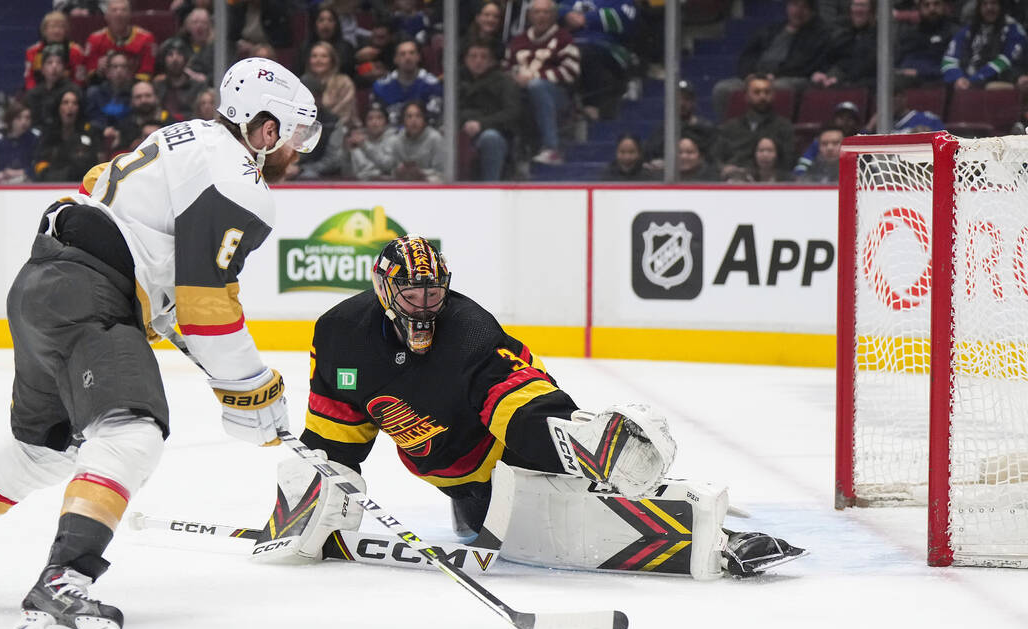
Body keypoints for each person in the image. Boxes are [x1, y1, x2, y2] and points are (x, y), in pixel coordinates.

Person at [0, 57, 322, 629]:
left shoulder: (181, 139)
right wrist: (252, 387)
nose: (296, 153)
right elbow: (205, 304)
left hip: (42, 284)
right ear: (265, 129)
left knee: (43, 447)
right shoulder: (238, 177)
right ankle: (62, 585)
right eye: (294, 137)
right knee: (132, 429)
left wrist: (227, 369)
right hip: (89, 294)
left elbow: (128, 240)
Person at [254, 236, 804, 581]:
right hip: (453, 482)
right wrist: (316, 498)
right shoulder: (340, 334)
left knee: (560, 480)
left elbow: (517, 406)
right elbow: (336, 434)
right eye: (412, 294)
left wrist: (569, 439)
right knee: (479, 520)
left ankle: (703, 526)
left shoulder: (468, 332)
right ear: (383, 289)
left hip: (508, 456)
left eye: (434, 292)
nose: (425, 306)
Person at [506, 0, 581, 165]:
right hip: (521, 95)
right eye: (537, 12)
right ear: (530, 15)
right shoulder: (518, 41)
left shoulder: (564, 39)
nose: (541, 16)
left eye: (546, 12)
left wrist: (535, 76)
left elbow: (571, 72)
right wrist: (516, 77)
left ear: (554, 15)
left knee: (537, 85)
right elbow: (506, 68)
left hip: (557, 97)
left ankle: (552, 148)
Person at [942, 0, 1027, 90]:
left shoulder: (1014, 31)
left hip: (995, 85)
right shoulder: (967, 31)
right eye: (984, 4)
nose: (989, 7)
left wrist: (974, 80)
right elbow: (949, 59)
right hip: (964, 85)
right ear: (979, 7)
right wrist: (957, 78)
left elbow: (1006, 61)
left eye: (993, 3)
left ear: (1001, 6)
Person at [459, 41, 520, 181]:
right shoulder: (456, 80)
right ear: (466, 59)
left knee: (490, 138)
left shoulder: (504, 82)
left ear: (491, 61)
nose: (478, 61)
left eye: (483, 57)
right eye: (473, 56)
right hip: (461, 133)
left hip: (495, 134)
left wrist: (481, 124)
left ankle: (490, 186)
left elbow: (512, 113)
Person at [713, 73, 795, 177]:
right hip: (733, 183)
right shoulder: (730, 127)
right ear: (746, 96)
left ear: (773, 95)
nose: (762, 96)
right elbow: (716, 158)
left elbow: (788, 162)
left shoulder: (784, 127)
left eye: (767, 92)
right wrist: (724, 168)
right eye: (757, 92)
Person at [32, 87, 101, 182]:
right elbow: (40, 164)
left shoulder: (89, 133)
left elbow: (92, 165)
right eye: (65, 102)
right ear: (58, 107)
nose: (70, 107)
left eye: (74, 103)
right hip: (51, 187)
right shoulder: (48, 134)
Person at [371, 39, 443, 127]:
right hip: (390, 137)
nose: (407, 57)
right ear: (395, 59)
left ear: (418, 57)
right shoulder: (381, 87)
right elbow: (376, 121)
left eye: (412, 53)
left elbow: (434, 120)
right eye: (402, 54)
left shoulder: (432, 85)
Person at [84, 0, 157, 81]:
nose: (119, 14)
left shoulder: (146, 38)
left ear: (130, 15)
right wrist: (98, 70)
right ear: (106, 16)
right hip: (104, 85)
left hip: (135, 85)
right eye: (114, 10)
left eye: (123, 10)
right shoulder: (94, 39)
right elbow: (89, 76)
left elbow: (147, 74)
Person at [24, 11, 88, 90]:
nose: (56, 31)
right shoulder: (33, 51)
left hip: (68, 94)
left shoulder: (76, 51)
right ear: (44, 30)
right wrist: (35, 95)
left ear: (66, 30)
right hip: (39, 93)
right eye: (52, 27)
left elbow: (79, 80)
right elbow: (29, 79)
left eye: (61, 27)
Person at [391, 100, 444, 182]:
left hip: (430, 184)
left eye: (418, 116)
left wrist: (421, 173)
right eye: (409, 116)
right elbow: (394, 168)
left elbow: (440, 171)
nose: (414, 120)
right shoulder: (397, 140)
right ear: (403, 120)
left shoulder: (435, 138)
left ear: (424, 119)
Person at [0, 101, 41, 184]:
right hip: (3, 184)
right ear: (10, 120)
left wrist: (23, 172)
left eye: (27, 118)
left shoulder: (34, 140)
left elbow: (39, 165)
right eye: (19, 118)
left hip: (28, 184)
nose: (24, 122)